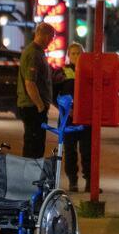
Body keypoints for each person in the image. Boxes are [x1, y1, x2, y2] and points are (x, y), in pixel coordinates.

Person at [53, 43, 92, 192]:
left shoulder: (89, 72)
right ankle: (73, 181)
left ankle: (89, 181)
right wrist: (64, 109)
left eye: (79, 53)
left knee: (87, 151)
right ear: (69, 55)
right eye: (73, 53)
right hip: (67, 118)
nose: (76, 56)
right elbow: (54, 95)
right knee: (69, 150)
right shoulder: (61, 73)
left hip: (86, 118)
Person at [17, 23, 55, 158]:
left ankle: (31, 175)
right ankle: (29, 177)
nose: (51, 41)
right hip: (32, 107)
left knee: (36, 144)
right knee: (34, 145)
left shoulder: (37, 52)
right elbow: (30, 82)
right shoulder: (33, 53)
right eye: (51, 38)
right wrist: (40, 105)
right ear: (43, 35)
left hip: (34, 106)